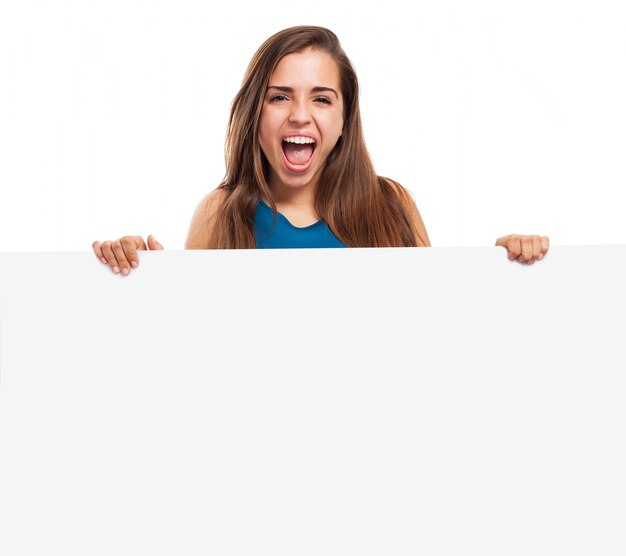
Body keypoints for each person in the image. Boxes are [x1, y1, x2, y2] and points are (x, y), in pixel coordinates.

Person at [92, 25, 549, 276]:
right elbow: (192, 344)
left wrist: (502, 274)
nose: (299, 115)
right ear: (256, 112)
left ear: (345, 117)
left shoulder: (391, 206)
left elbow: (439, 329)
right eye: (279, 96)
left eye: (322, 98)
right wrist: (140, 278)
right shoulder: (221, 211)